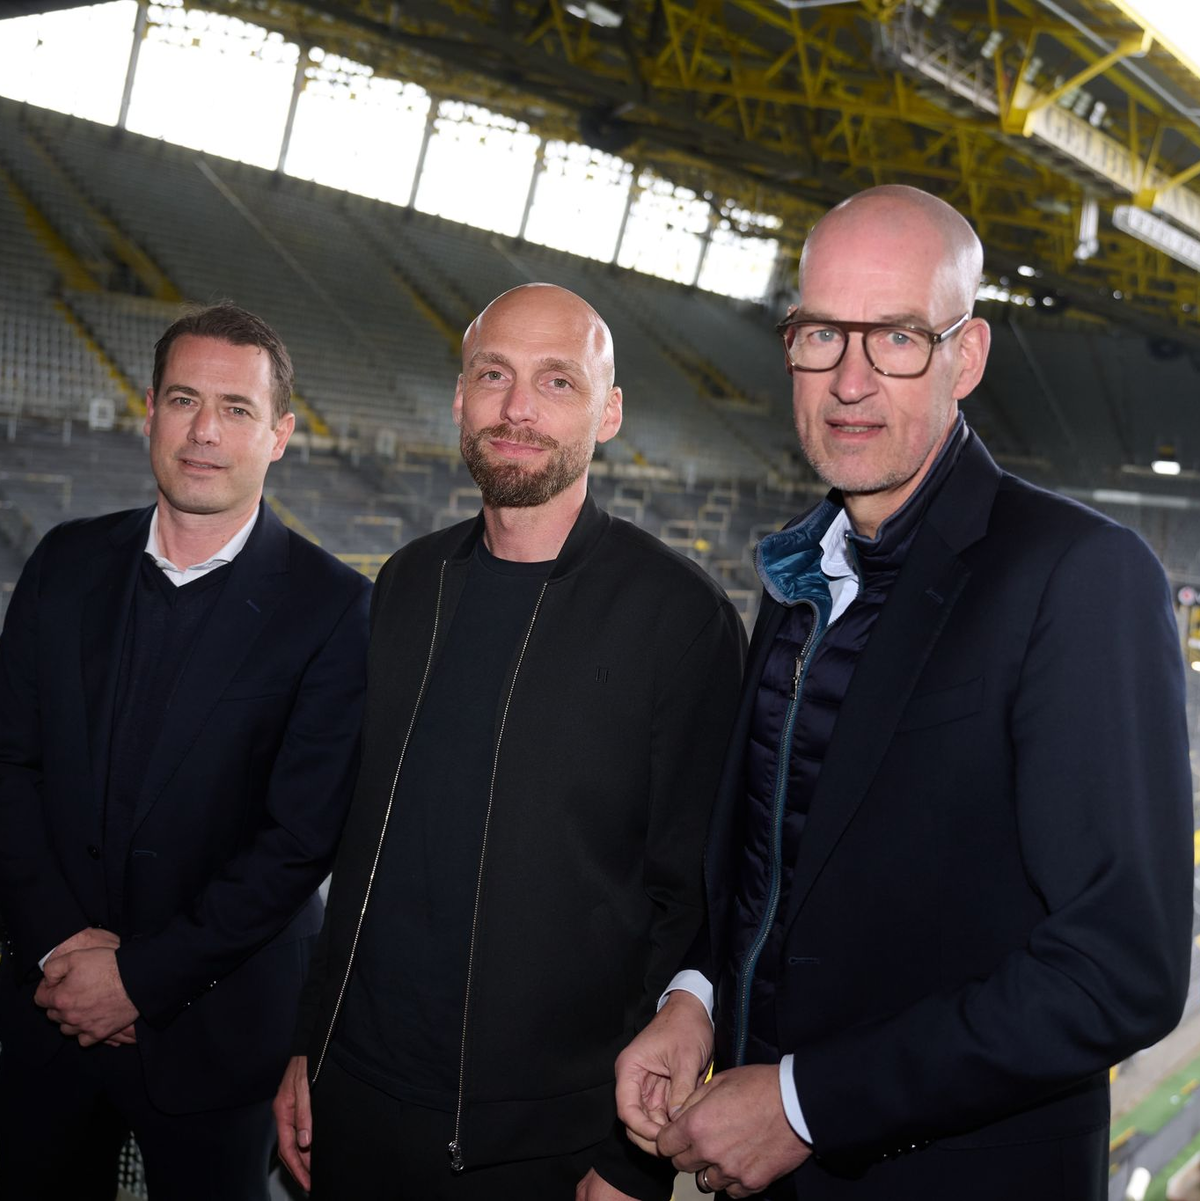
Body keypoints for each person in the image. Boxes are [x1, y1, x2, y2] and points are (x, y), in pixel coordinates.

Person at [614, 185, 1194, 1201]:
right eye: (820, 335)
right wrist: (696, 997)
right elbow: (772, 865)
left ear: (964, 357)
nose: (848, 380)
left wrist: (805, 1101)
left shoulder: (1076, 576)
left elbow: (1119, 967)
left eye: (894, 338)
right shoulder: (800, 571)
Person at [273, 282, 746, 1201]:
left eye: (557, 382)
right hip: (358, 1105)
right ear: (460, 400)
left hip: (551, 1146)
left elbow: (694, 900)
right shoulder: (409, 583)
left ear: (608, 414)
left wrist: (630, 1157)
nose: (517, 407)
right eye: (494, 375)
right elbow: (363, 850)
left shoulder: (678, 617)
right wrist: (310, 1043)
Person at [0, 303, 371, 1200]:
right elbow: (9, 765)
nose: (206, 431)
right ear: (150, 414)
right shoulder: (64, 560)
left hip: (218, 1034)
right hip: (46, 1014)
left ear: (280, 434)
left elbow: (297, 842)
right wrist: (58, 947)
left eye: (238, 409)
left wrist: (138, 978)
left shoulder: (335, 608)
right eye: (183, 399)